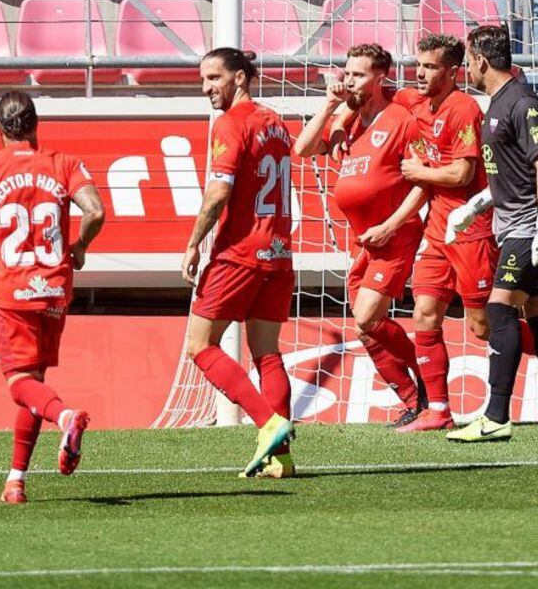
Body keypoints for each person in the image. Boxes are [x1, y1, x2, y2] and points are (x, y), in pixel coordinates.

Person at [0, 91, 106, 504]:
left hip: (12, 290)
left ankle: (65, 416)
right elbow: (95, 211)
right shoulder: (64, 163)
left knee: (20, 384)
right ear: (36, 126)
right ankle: (15, 480)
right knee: (35, 383)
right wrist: (79, 248)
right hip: (55, 288)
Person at [445, 25, 538, 442]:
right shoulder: (496, 105)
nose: (467, 68)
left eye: (469, 61)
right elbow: (513, 172)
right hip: (514, 224)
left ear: (482, 61)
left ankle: (496, 415)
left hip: (529, 229)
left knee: (499, 309)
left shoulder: (522, 104)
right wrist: (476, 206)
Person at [293, 43, 429, 429]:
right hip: (362, 240)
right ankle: (413, 397)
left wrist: (391, 225)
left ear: (379, 77)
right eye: (346, 72)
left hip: (394, 235)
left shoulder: (401, 119)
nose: (347, 80)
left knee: (368, 318)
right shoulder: (349, 118)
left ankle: (428, 387)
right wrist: (330, 107)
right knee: (364, 327)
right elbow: (302, 149)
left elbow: (422, 181)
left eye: (357, 74)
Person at [182, 48, 295, 478]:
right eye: (203, 80)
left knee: (200, 345)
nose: (207, 88)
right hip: (279, 254)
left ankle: (268, 423)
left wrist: (193, 243)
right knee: (267, 353)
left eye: (214, 78)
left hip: (240, 255)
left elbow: (219, 192)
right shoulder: (276, 124)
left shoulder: (231, 123)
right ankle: (280, 459)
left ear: (241, 79)